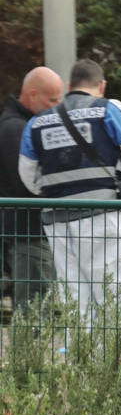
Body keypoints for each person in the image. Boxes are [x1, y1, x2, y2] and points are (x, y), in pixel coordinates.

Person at [18, 59, 121, 322]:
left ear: (69, 87)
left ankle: (82, 360)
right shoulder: (108, 110)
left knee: (77, 302)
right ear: (101, 85)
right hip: (105, 219)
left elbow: (30, 179)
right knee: (120, 298)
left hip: (58, 225)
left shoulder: (36, 124)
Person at [0, 67, 63, 311]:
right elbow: (26, 184)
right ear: (33, 94)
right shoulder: (15, 129)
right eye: (52, 99)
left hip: (28, 231)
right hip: (29, 232)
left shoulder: (19, 125)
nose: (57, 106)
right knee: (34, 311)